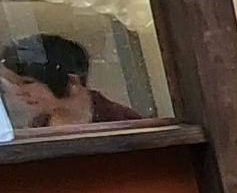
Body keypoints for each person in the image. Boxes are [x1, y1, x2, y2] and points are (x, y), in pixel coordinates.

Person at [0, 33, 143, 128]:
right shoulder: (36, 128)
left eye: (27, 82)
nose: (19, 92)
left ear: (72, 82)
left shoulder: (122, 123)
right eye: (13, 83)